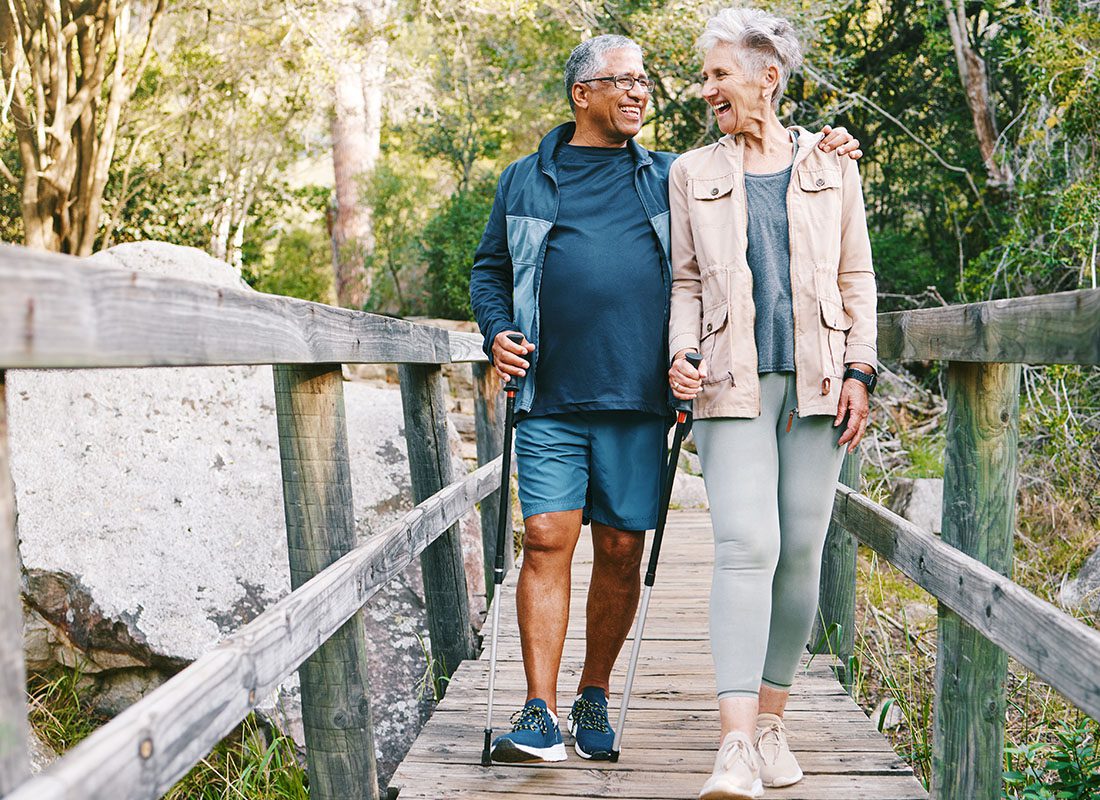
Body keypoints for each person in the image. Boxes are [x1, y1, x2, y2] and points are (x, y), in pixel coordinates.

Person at [470, 33, 862, 766]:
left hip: (640, 399)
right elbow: (490, 270)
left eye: (644, 80)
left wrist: (827, 145)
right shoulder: (524, 180)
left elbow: (740, 219)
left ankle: (593, 693)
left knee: (620, 549)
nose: (640, 92)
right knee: (546, 540)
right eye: (621, 80)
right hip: (549, 393)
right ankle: (538, 713)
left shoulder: (669, 176)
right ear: (581, 93)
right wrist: (497, 330)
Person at [666, 8, 878, 799]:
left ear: (769, 78)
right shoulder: (692, 171)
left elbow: (857, 277)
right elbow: (686, 281)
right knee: (745, 545)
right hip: (730, 381)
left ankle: (771, 725)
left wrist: (862, 368)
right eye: (708, 75)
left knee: (800, 554)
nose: (708, 89)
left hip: (822, 381)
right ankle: (731, 747)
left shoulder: (833, 163)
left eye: (720, 74)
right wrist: (678, 353)